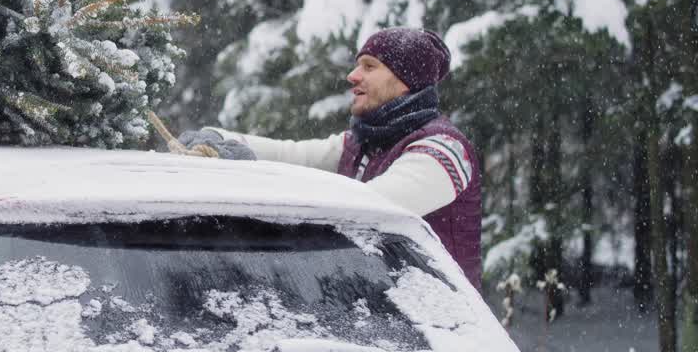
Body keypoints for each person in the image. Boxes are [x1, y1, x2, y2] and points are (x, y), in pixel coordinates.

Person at [181, 27, 482, 289]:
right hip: (394, 325)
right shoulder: (367, 142)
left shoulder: (444, 150)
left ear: (405, 80)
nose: (353, 76)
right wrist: (220, 139)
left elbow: (369, 207)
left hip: (448, 337)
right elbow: (290, 154)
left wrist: (258, 184)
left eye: (369, 66)